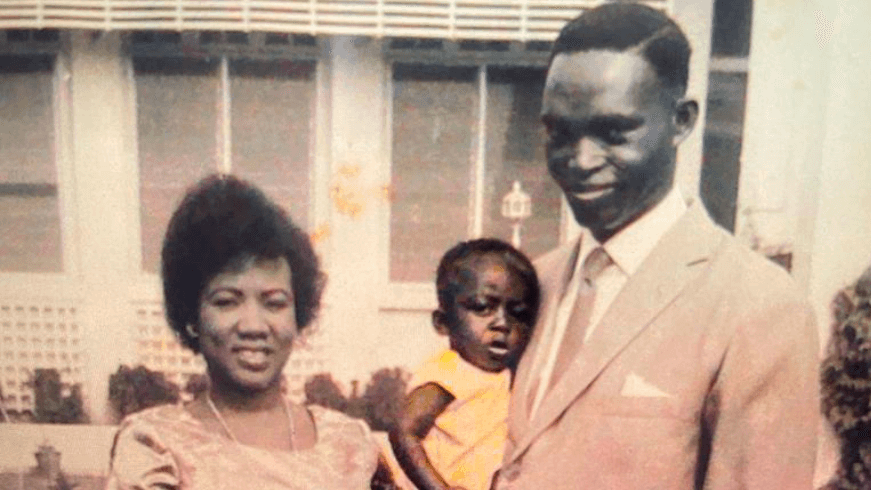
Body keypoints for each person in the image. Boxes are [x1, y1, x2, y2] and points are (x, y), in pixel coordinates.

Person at [494, 4, 819, 489]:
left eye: (613, 133)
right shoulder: (533, 284)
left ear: (681, 122)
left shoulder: (759, 307)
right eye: (559, 132)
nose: (579, 160)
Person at [106, 174, 392, 489]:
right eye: (227, 301)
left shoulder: (350, 445)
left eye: (274, 303)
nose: (254, 326)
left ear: (297, 315)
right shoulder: (156, 446)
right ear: (191, 317)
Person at [390, 239, 539, 490]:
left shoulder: (511, 376)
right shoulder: (450, 370)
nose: (502, 323)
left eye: (519, 313)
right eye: (483, 307)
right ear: (443, 322)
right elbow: (404, 432)